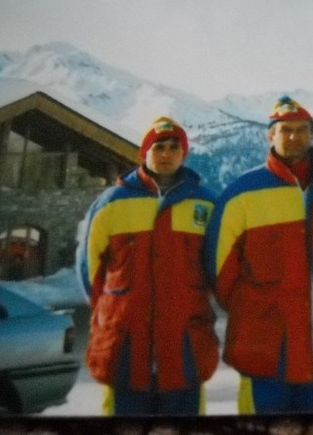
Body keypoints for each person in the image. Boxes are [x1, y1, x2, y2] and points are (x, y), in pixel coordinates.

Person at [209, 95, 313, 414]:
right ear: (270, 134)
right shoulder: (243, 193)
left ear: (312, 133)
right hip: (265, 350)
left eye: (301, 129)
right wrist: (253, 312)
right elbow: (219, 271)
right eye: (285, 130)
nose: (294, 136)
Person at [76, 116, 219, 415]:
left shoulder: (205, 205)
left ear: (184, 153)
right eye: (158, 147)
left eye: (173, 147)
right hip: (124, 346)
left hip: (186, 347)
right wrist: (111, 309)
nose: (166, 154)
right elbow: (88, 269)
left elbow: (218, 267)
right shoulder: (112, 203)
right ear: (144, 153)